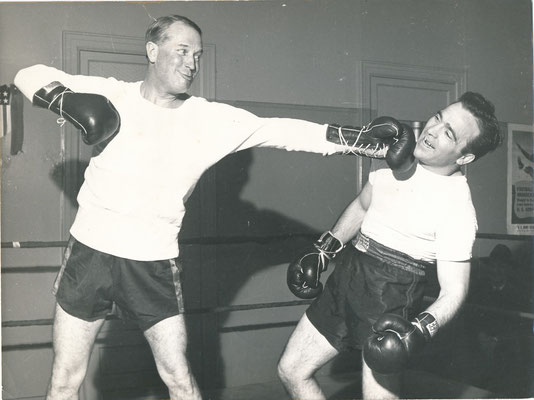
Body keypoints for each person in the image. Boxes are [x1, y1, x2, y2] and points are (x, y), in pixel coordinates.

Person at [14, 15, 414, 400]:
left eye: (198, 55)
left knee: (179, 379)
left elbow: (280, 129)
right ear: (152, 50)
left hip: (152, 262)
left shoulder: (209, 119)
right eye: (182, 50)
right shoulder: (112, 94)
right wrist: (63, 99)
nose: (191, 63)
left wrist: (359, 139)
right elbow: (26, 74)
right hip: (90, 252)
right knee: (65, 380)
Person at [279, 91, 502, 399]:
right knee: (291, 370)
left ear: (464, 156)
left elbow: (455, 290)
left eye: (448, 133)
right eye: (438, 117)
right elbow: (362, 206)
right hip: (349, 273)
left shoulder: (457, 208)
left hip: (392, 291)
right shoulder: (395, 154)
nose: (432, 131)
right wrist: (325, 249)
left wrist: (422, 329)